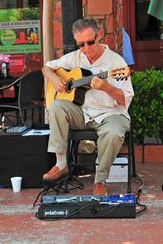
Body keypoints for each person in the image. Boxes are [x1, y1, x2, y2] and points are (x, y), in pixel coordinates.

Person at [42, 18, 134, 195]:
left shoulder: (116, 64)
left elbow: (124, 100)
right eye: (81, 44)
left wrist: (106, 87)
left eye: (90, 42)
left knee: (115, 132)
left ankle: (100, 181)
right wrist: (54, 79)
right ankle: (61, 164)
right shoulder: (75, 58)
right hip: (82, 113)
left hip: (110, 114)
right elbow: (46, 68)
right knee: (56, 106)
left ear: (99, 36)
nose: (86, 49)